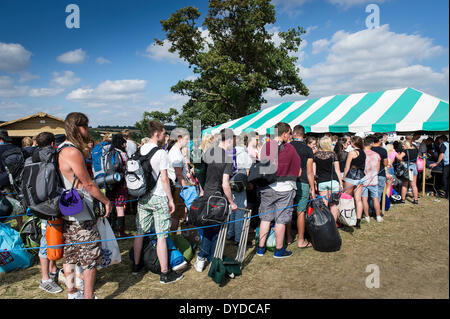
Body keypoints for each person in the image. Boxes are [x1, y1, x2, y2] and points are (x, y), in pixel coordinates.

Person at [58, 112, 112, 299]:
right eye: (85, 126)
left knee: (70, 255)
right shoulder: (72, 151)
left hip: (68, 211)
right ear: (77, 127)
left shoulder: (61, 148)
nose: (87, 130)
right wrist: (106, 201)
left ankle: (73, 292)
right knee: (90, 258)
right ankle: (88, 296)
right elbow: (87, 184)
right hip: (81, 211)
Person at [131, 120, 183, 284]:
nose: (165, 135)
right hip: (159, 196)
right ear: (157, 133)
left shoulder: (140, 150)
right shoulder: (161, 153)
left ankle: (136, 265)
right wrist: (170, 199)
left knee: (140, 232)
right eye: (163, 132)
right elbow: (165, 178)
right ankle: (165, 273)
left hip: (143, 196)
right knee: (162, 235)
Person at [194, 128, 238, 272]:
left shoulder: (209, 152)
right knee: (214, 229)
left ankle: (211, 258)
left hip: (207, 194)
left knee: (212, 228)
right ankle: (203, 257)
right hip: (218, 197)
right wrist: (232, 202)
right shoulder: (227, 158)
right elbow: (225, 183)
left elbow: (200, 173)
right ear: (229, 140)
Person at [256, 122, 300, 259]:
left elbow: (261, 164)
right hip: (285, 187)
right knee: (281, 219)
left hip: (267, 186)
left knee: (265, 218)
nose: (290, 136)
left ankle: (261, 248)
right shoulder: (290, 148)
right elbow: (297, 169)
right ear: (285, 133)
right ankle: (279, 250)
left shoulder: (266, 146)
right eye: (289, 133)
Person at [34, 132, 63, 294]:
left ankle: (53, 270)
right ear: (53, 143)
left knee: (51, 238)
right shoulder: (51, 157)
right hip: (49, 205)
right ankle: (45, 279)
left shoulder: (32, 156)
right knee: (46, 242)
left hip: (38, 205)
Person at [288, 125, 314, 248]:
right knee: (300, 211)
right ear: (303, 135)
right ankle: (301, 240)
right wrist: (313, 187)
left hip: (288, 181)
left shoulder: (287, 146)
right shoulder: (308, 149)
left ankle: (288, 237)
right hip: (303, 181)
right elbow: (309, 171)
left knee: (287, 210)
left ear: (293, 133)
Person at [227, 135, 253, 246]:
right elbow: (249, 167)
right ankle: (238, 238)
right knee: (240, 210)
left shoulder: (229, 152)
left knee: (233, 208)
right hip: (239, 183)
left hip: (229, 181)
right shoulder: (242, 152)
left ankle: (231, 233)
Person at [313, 136, 343, 222]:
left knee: (324, 204)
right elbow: (337, 170)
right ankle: (333, 225)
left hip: (321, 182)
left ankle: (325, 223)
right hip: (333, 181)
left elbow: (314, 172)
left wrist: (314, 183)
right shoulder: (333, 154)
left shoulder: (316, 155)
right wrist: (340, 182)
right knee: (333, 205)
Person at [105, 133, 129, 238]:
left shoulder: (108, 152)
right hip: (120, 183)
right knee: (120, 207)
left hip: (108, 182)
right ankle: (121, 231)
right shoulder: (122, 154)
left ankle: (109, 230)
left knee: (109, 206)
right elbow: (127, 167)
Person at [168, 128, 190, 231]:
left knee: (176, 216)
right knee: (175, 216)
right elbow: (178, 174)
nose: (188, 141)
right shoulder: (176, 153)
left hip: (177, 187)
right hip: (177, 188)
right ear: (179, 138)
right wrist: (186, 189)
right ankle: (172, 239)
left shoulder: (176, 151)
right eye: (186, 139)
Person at [343, 136, 366, 229]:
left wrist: (344, 177)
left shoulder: (352, 153)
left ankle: (345, 218)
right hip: (360, 176)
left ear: (353, 143)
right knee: (358, 199)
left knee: (346, 197)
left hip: (351, 176)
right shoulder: (363, 152)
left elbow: (347, 166)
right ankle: (358, 220)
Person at [362, 135, 383, 223]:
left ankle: (367, 216)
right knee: (375, 198)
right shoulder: (376, 155)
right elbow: (378, 169)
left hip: (363, 180)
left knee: (364, 199)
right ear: (371, 144)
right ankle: (378, 216)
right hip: (373, 179)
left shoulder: (361, 154)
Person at [397, 137, 419, 204]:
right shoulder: (415, 150)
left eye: (403, 145)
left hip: (407, 167)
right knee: (414, 185)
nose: (402, 146)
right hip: (414, 167)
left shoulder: (405, 151)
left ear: (406, 145)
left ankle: (403, 200)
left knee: (405, 185)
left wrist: (400, 160)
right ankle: (415, 200)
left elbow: (399, 157)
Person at [371, 133, 390, 206]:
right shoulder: (383, 150)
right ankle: (376, 210)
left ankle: (371, 209)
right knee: (378, 193)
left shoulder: (369, 149)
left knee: (371, 193)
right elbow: (385, 163)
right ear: (380, 140)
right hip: (380, 174)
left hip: (370, 174)